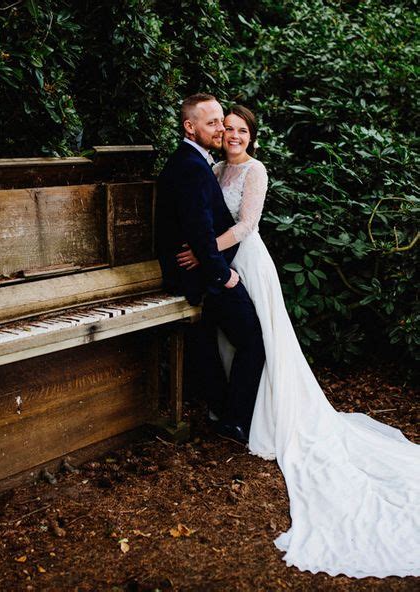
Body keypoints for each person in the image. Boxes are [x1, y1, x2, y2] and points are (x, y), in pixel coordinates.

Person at [177, 104, 420, 578]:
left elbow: (246, 226)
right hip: (222, 267)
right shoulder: (215, 167)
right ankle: (234, 409)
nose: (233, 135)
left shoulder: (255, 171)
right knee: (232, 343)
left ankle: (259, 415)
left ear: (252, 137)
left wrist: (206, 253)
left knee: (261, 339)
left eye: (242, 130)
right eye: (228, 128)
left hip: (247, 261)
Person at [156, 93, 266, 444]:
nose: (224, 130)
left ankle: (230, 414)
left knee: (230, 341)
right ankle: (231, 418)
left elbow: (239, 224)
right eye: (216, 123)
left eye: (231, 125)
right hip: (216, 271)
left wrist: (207, 258)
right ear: (190, 127)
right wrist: (221, 273)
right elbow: (198, 225)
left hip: (230, 261)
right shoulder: (197, 166)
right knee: (244, 341)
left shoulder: (208, 164)